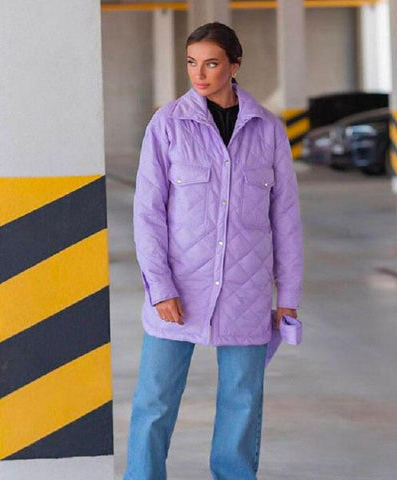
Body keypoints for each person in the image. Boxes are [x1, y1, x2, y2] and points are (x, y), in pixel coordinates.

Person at [124, 21, 303, 480]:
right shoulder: (168, 125)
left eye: (211, 63)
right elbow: (148, 214)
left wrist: (288, 297)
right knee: (154, 402)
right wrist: (160, 286)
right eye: (191, 63)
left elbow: (285, 219)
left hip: (247, 292)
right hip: (178, 291)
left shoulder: (268, 130)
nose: (199, 74)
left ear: (234, 65)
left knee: (242, 403)